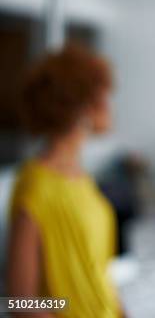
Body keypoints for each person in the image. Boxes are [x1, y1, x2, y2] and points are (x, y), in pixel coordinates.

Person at [7, 45, 122, 317]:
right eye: (103, 94)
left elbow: (97, 275)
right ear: (80, 105)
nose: (110, 104)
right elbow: (20, 301)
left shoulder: (81, 179)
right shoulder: (37, 186)